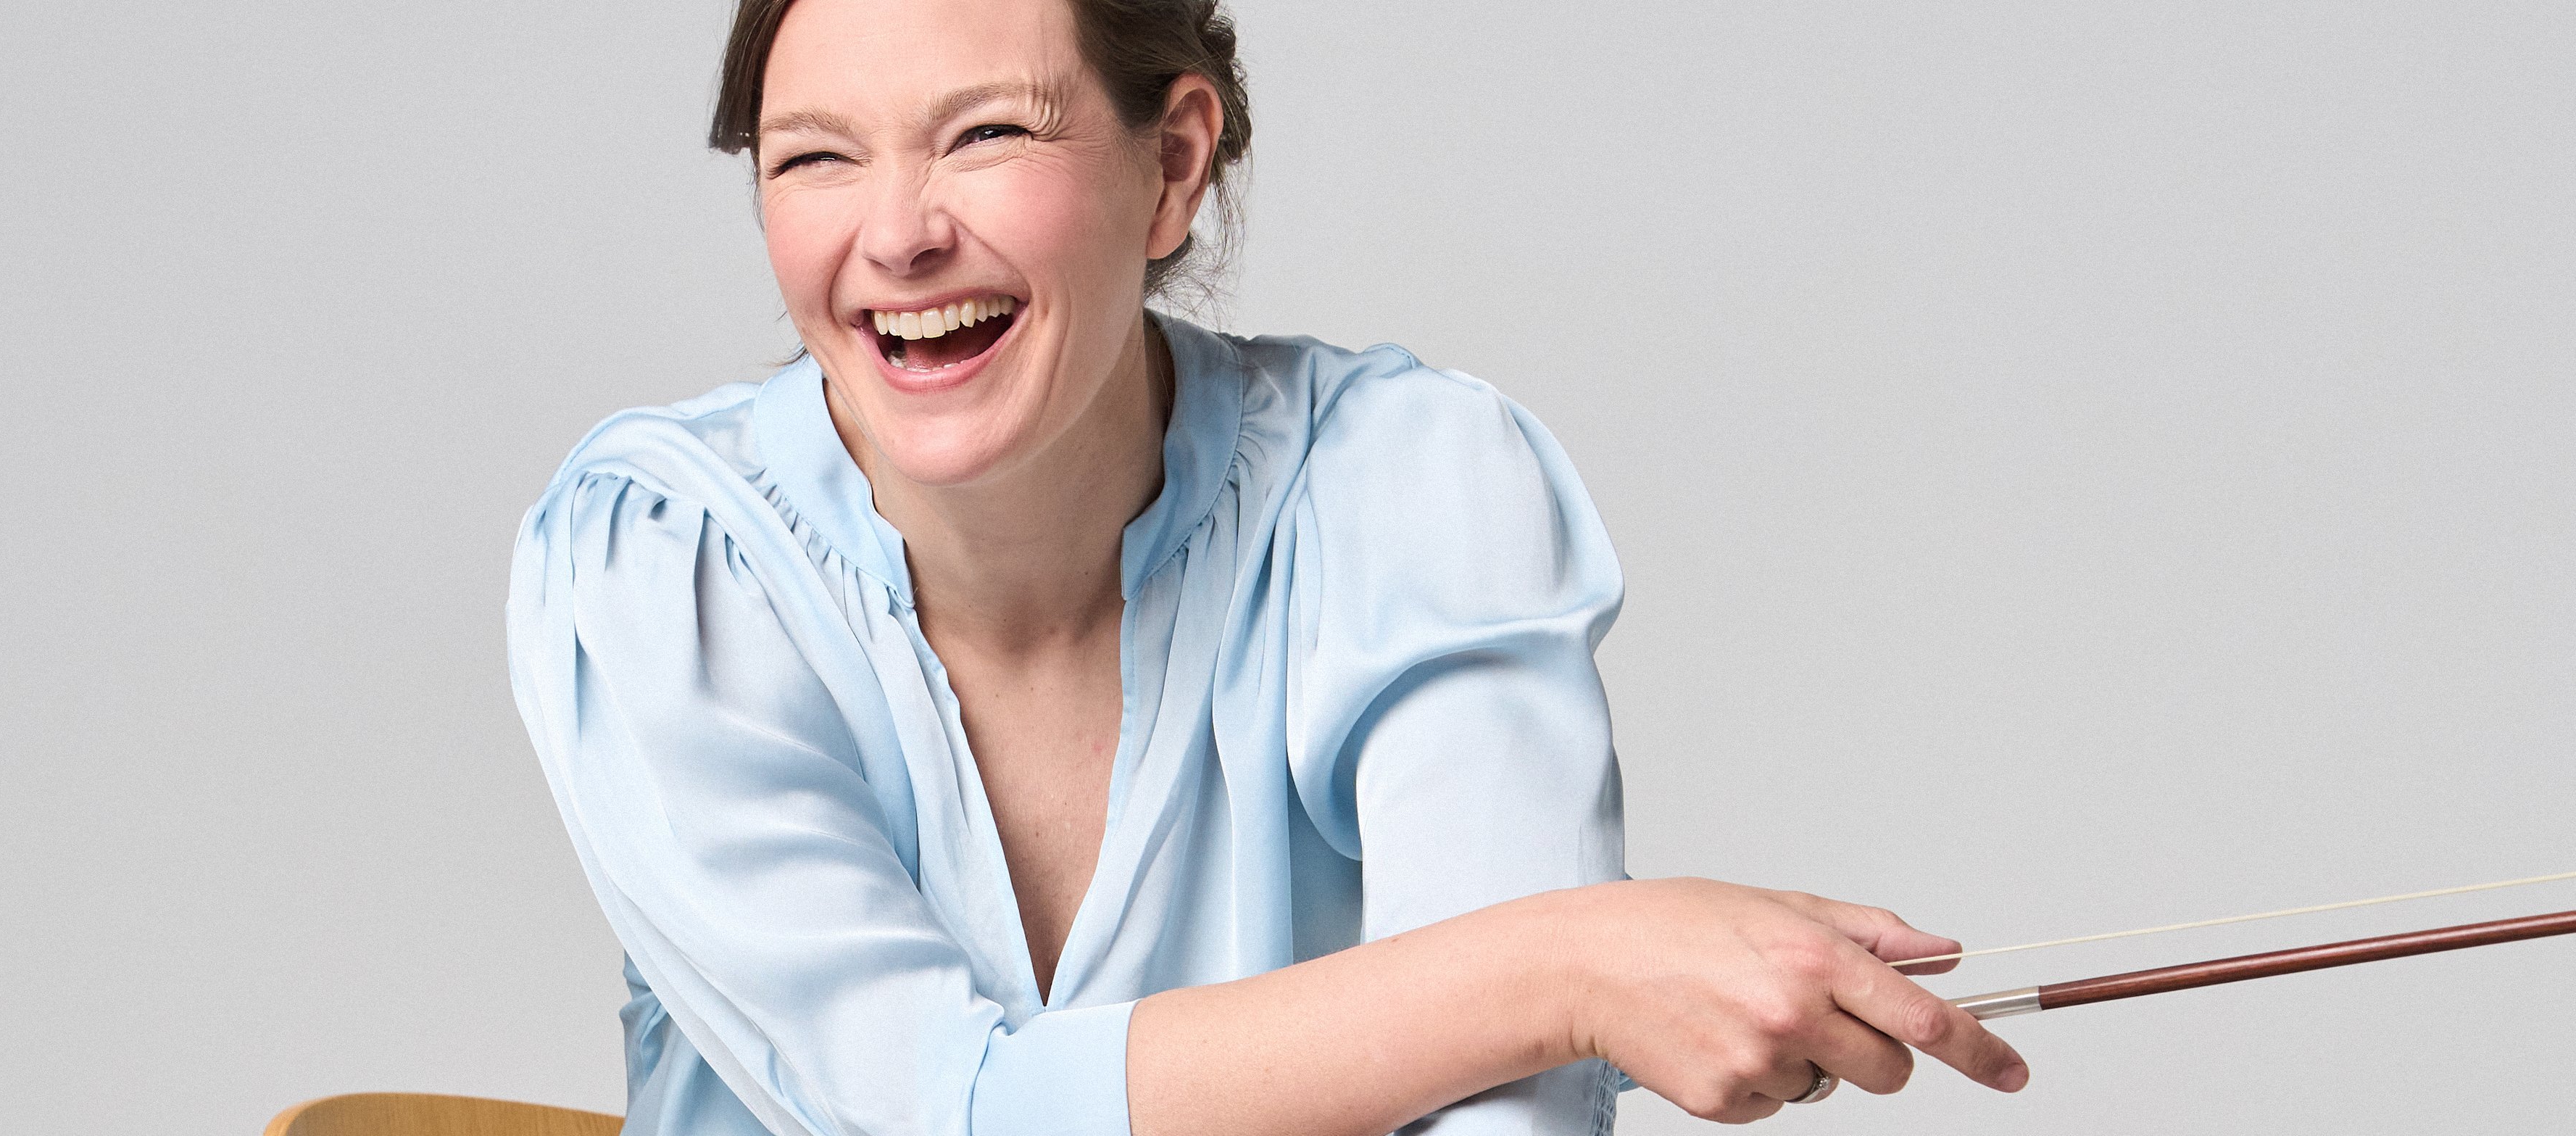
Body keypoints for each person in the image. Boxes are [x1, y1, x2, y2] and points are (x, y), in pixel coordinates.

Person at [505, 1, 2031, 1133]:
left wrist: (1560, 990)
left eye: (984, 134)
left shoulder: (1404, 491)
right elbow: (940, 1117)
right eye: (815, 159)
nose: (896, 233)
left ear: (1172, 163)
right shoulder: (662, 565)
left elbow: (1506, 1117)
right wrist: (1570, 964)